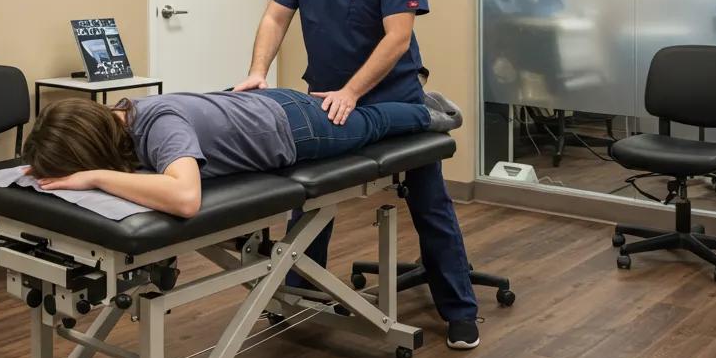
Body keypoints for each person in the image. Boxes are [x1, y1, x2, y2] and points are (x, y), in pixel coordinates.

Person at [233, 0, 480, 351]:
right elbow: (276, 17)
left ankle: (459, 309)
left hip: (392, 97)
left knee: (430, 203)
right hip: (324, 96)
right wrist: (258, 73)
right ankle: (298, 298)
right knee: (310, 197)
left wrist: (353, 92)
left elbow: (396, 38)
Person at [24, 87, 462, 219]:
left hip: (297, 129)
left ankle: (428, 110)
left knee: (371, 124)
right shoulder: (121, 125)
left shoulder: (158, 126)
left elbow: (184, 198)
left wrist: (96, 178)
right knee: (366, 122)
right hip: (265, 107)